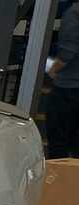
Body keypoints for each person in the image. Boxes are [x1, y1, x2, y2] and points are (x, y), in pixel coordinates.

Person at [48, 1, 79, 158]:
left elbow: (68, 52)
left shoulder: (74, 14)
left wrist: (53, 70)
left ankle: (59, 173)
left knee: (58, 142)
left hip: (68, 88)